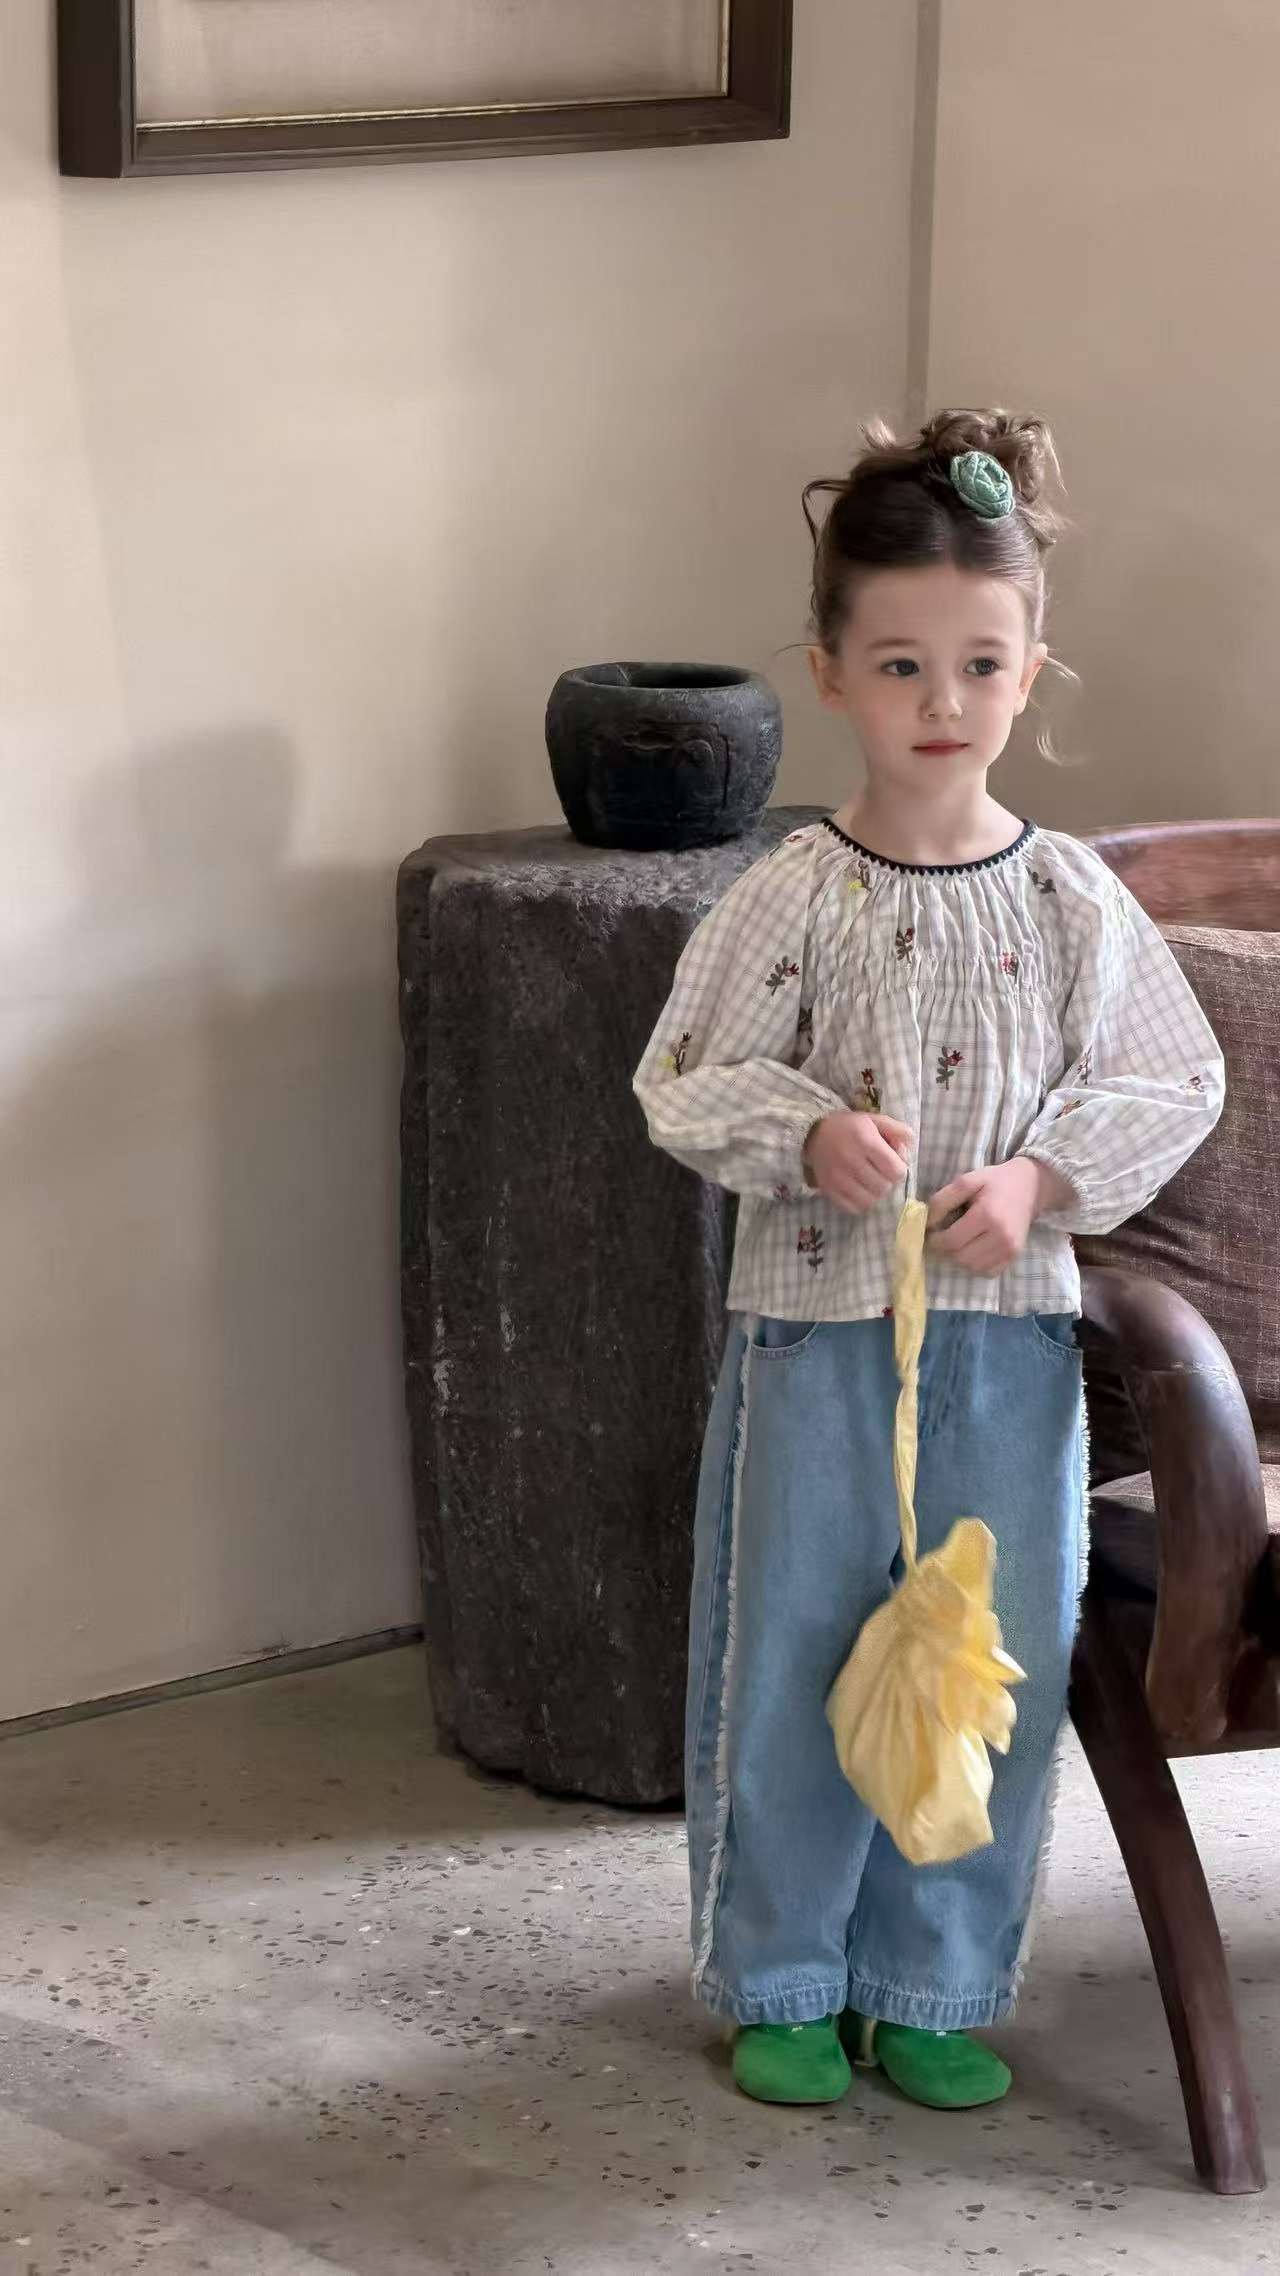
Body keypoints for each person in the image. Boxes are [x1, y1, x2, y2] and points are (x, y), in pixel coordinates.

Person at [633, 409, 1225, 2113]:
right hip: (814, 1342)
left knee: (981, 1665)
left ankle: (932, 1982)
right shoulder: (792, 896)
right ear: (830, 673)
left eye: (979, 664)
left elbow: (1173, 1078)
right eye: (900, 665)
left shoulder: (1069, 902)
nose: (941, 702)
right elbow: (682, 1075)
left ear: (1030, 670)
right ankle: (786, 1974)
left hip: (1010, 1352)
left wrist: (1042, 1177)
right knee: (796, 1650)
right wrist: (811, 1133)